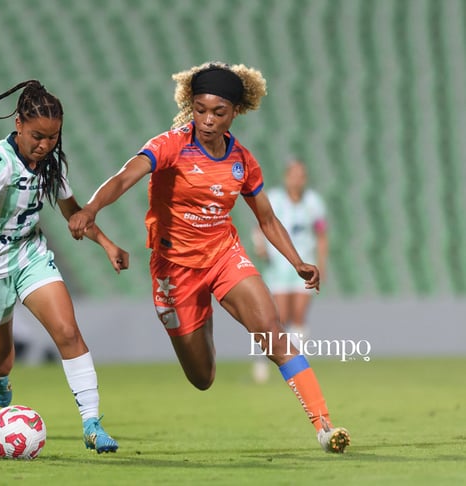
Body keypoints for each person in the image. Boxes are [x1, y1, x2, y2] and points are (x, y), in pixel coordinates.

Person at [68, 62, 350, 453]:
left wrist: (296, 260)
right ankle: (202, 317)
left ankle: (324, 426)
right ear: (190, 105)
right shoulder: (171, 145)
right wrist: (91, 208)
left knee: (272, 330)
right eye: (200, 109)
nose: (207, 120)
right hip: (174, 270)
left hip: (223, 256)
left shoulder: (242, 160)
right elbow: (124, 176)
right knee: (202, 377)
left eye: (218, 112)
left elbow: (266, 219)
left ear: (235, 112)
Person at [0, 80, 127, 453]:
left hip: (29, 255)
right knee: (0, 359)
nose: (45, 145)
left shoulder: (50, 164)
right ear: (19, 124)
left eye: (53, 137)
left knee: (68, 332)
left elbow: (72, 212)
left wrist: (106, 243)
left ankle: (92, 423)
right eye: (38, 136)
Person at [251, 158, 328, 383]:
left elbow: (321, 234)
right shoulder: (274, 198)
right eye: (293, 175)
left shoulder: (313, 202)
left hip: (305, 264)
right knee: (279, 317)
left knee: (299, 316)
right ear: (286, 177)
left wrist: (321, 263)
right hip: (279, 266)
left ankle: (297, 366)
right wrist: (261, 247)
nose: (297, 179)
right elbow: (260, 225)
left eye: (301, 175)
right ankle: (262, 360)